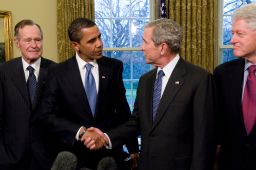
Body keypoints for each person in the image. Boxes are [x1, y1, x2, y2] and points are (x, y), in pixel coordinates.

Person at [84, 18, 216, 170]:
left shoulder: (199, 79)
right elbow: (136, 123)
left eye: (145, 42)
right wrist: (105, 138)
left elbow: (204, 137)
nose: (142, 48)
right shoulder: (146, 81)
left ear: (162, 47)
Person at [38, 17, 139, 170]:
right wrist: (81, 132)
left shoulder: (113, 68)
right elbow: (47, 115)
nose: (99, 44)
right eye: (92, 41)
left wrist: (133, 149)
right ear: (75, 45)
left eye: (99, 37)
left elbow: (123, 112)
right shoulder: (58, 72)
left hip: (108, 156)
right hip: (73, 155)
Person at [0, 19, 56, 169]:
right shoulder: (3, 72)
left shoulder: (57, 71)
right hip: (11, 158)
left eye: (38, 40)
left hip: (47, 157)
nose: (34, 45)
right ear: (17, 43)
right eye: (28, 40)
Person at [214, 3, 256, 170]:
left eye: (240, 34)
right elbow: (217, 124)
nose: (232, 40)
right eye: (232, 33)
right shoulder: (222, 74)